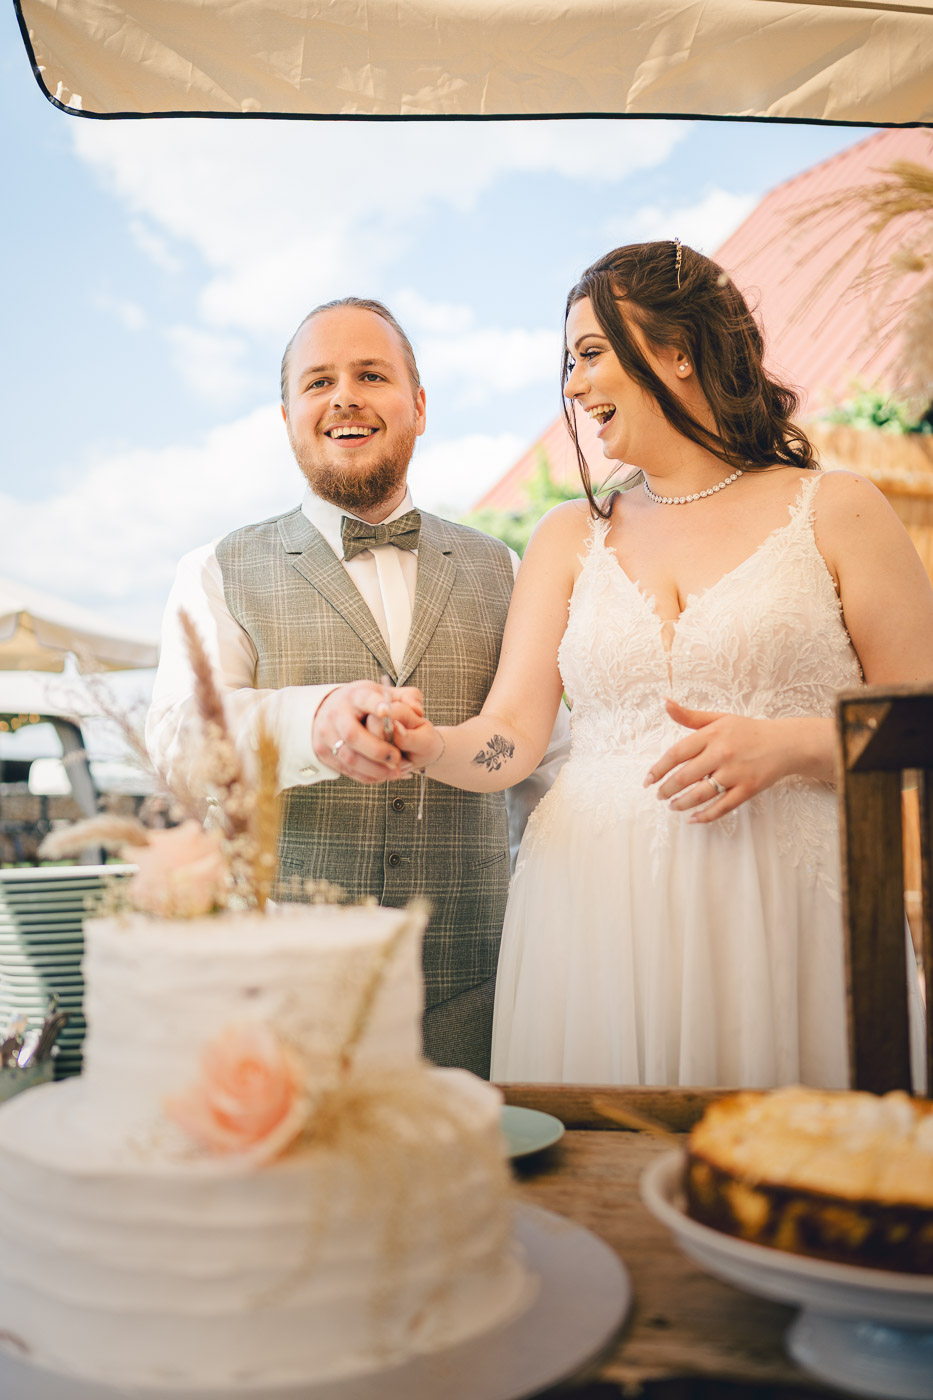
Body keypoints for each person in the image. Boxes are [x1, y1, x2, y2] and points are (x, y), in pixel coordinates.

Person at [389, 241, 933, 1090]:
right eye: (569, 362)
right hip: (590, 912)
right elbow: (512, 737)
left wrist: (790, 745)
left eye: (590, 353)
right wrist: (429, 746)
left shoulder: (837, 509)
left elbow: (922, 723)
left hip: (784, 909)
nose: (573, 386)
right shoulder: (568, 535)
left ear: (678, 350)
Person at [146, 297, 569, 1079]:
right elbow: (177, 740)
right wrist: (310, 722)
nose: (344, 396)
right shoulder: (214, 570)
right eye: (318, 381)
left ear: (418, 406)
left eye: (371, 375)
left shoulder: (505, 571)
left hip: (474, 998)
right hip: (280, 1003)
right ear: (287, 418)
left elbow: (550, 765)